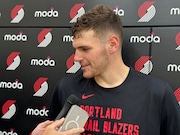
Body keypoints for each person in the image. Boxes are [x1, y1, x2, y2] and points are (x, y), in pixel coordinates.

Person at [34, 4, 180, 135]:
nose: (76, 58)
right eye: (76, 49)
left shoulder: (158, 95)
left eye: (84, 49)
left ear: (112, 44)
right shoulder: (65, 89)